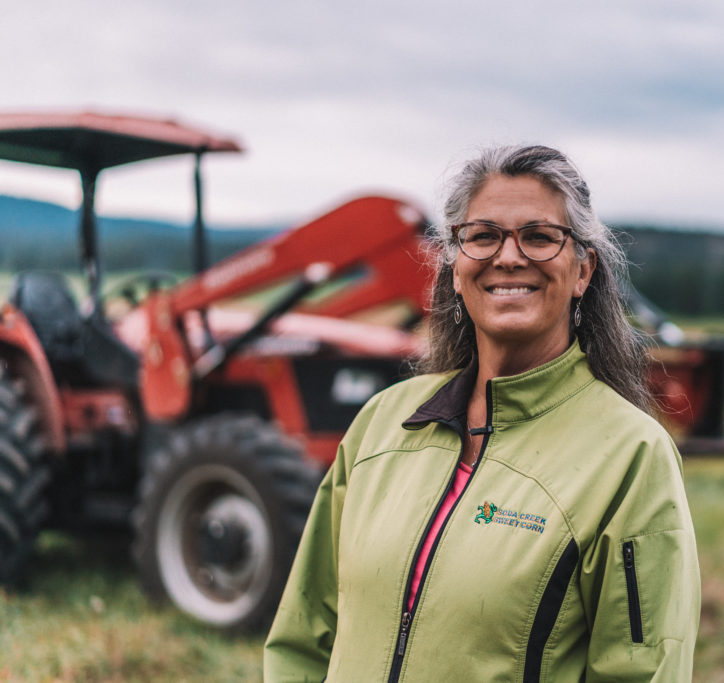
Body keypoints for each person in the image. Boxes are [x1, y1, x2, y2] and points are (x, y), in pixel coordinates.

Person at [264, 145, 700, 682]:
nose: (509, 257)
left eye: (540, 237)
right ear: (454, 265)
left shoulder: (631, 457)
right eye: (484, 235)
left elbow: (642, 671)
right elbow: (303, 638)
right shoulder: (382, 423)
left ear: (583, 269)